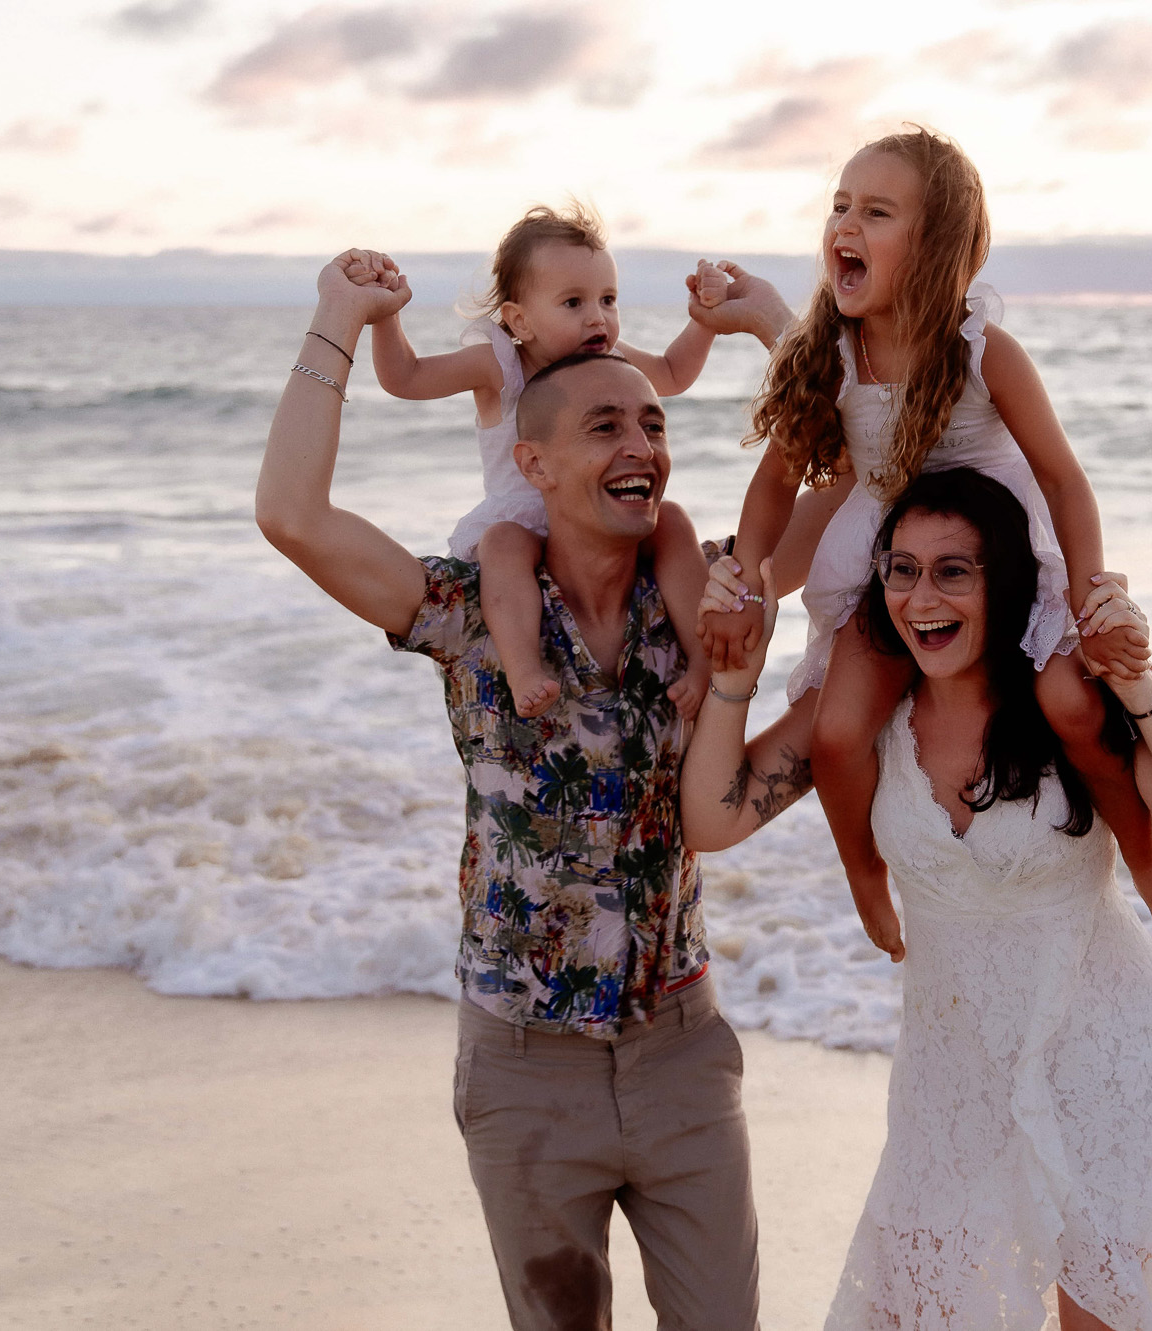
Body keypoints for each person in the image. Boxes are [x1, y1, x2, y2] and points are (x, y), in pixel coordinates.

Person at [254, 249, 810, 1330]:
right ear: (533, 463)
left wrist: (784, 328)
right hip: (522, 1066)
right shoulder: (467, 611)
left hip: (680, 1050)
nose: (640, 444)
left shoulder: (708, 596)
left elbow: (857, 484)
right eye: (604, 425)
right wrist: (338, 321)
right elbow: (292, 514)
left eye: (651, 424)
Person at [685, 468, 1152, 1330]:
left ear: (1007, 584)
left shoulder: (1065, 703)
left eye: (955, 570)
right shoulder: (870, 713)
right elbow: (713, 818)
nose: (922, 596)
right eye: (902, 568)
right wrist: (736, 678)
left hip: (1107, 1069)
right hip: (951, 1092)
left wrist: (1140, 686)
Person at [698, 125, 1152, 969]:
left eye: (876, 212)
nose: (846, 224)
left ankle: (1148, 864)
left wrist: (1091, 594)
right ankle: (863, 872)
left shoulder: (981, 350)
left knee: (1072, 702)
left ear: (934, 245)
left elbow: (1064, 479)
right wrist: (744, 576)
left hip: (1006, 560)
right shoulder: (829, 351)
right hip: (899, 565)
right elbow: (779, 480)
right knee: (841, 731)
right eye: (840, 206)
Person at [349, 203, 727, 718]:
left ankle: (704, 660)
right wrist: (386, 316)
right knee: (502, 544)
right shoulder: (498, 363)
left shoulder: (609, 359)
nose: (598, 316)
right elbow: (407, 378)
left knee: (675, 522)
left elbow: (673, 373)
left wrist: (704, 322)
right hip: (524, 521)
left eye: (608, 299)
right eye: (573, 302)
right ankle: (524, 665)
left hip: (599, 521)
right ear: (519, 319)